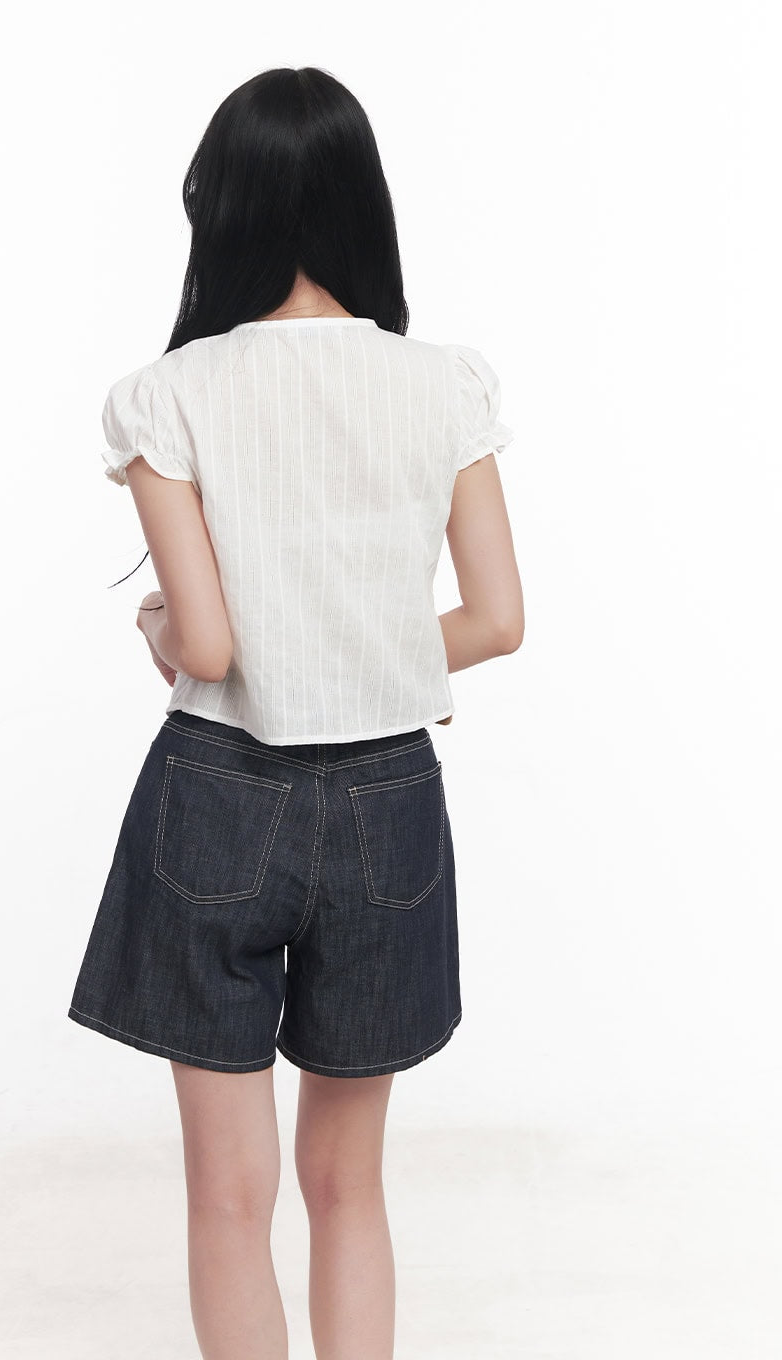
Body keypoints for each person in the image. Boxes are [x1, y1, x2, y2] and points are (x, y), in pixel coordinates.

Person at [68, 65, 523, 1360]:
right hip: (389, 801)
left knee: (229, 1195)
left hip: (219, 795)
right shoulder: (446, 385)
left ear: (224, 209)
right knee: (348, 1185)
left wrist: (157, 628)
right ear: (362, 204)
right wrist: (366, 663)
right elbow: (496, 619)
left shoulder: (171, 394)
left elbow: (207, 644)